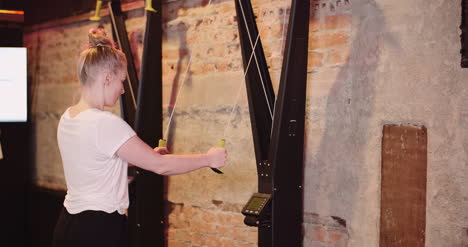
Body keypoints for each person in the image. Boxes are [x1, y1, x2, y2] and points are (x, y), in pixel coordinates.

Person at [52, 28, 227, 247]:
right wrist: (209, 159)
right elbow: (161, 166)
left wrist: (143, 156)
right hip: (98, 230)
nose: (123, 89)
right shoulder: (105, 123)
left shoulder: (68, 117)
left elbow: (97, 167)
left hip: (70, 225)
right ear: (107, 78)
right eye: (121, 81)